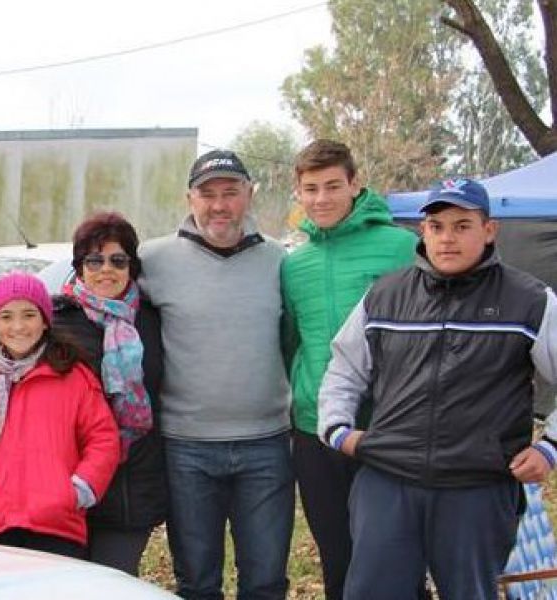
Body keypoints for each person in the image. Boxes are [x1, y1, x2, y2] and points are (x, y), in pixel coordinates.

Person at [318, 178, 557, 599]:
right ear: (423, 232)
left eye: (462, 226)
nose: (447, 238)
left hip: (476, 488)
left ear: (489, 230)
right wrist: (338, 429)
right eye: (437, 226)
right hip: (388, 481)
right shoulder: (385, 295)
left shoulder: (530, 301)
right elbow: (344, 367)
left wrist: (548, 448)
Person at [138, 149, 293, 599]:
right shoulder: (153, 260)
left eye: (231, 192)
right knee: (197, 583)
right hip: (186, 447)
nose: (219, 205)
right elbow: (97, 292)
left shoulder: (279, 261)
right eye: (208, 194)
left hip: (266, 443)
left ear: (249, 195)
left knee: (265, 581)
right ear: (190, 198)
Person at [281, 139, 416, 600]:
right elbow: (292, 342)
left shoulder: (403, 247)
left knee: (394, 559)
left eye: (332, 186)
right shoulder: (294, 265)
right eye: (310, 188)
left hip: (388, 428)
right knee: (338, 558)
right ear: (297, 193)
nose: (321, 199)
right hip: (314, 431)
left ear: (355, 184)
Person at [0, 272, 120, 558]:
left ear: (45, 320)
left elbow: (103, 439)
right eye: (6, 316)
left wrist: (78, 490)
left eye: (29, 315)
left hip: (57, 527)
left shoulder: (74, 377)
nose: (18, 326)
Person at [51, 211, 166, 575]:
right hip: (70, 485)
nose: (106, 269)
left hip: (132, 485)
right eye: (94, 259)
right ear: (79, 266)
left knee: (113, 582)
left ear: (131, 266)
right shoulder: (57, 322)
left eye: (118, 260)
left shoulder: (153, 318)